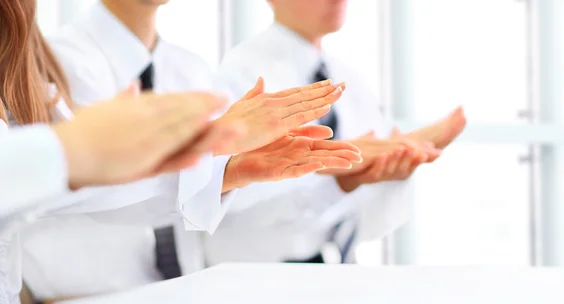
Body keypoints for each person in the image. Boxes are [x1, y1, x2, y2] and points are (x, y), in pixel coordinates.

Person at [1, 0, 362, 302]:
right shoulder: (61, 61)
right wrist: (209, 153)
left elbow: (91, 184)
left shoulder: (192, 69)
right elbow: (70, 187)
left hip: (185, 288)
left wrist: (220, 169)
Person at [202, 0, 467, 265]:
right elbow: (225, 201)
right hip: (258, 280)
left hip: (334, 274)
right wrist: (338, 179)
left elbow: (368, 224)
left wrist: (387, 173)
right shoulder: (240, 77)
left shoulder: (348, 79)